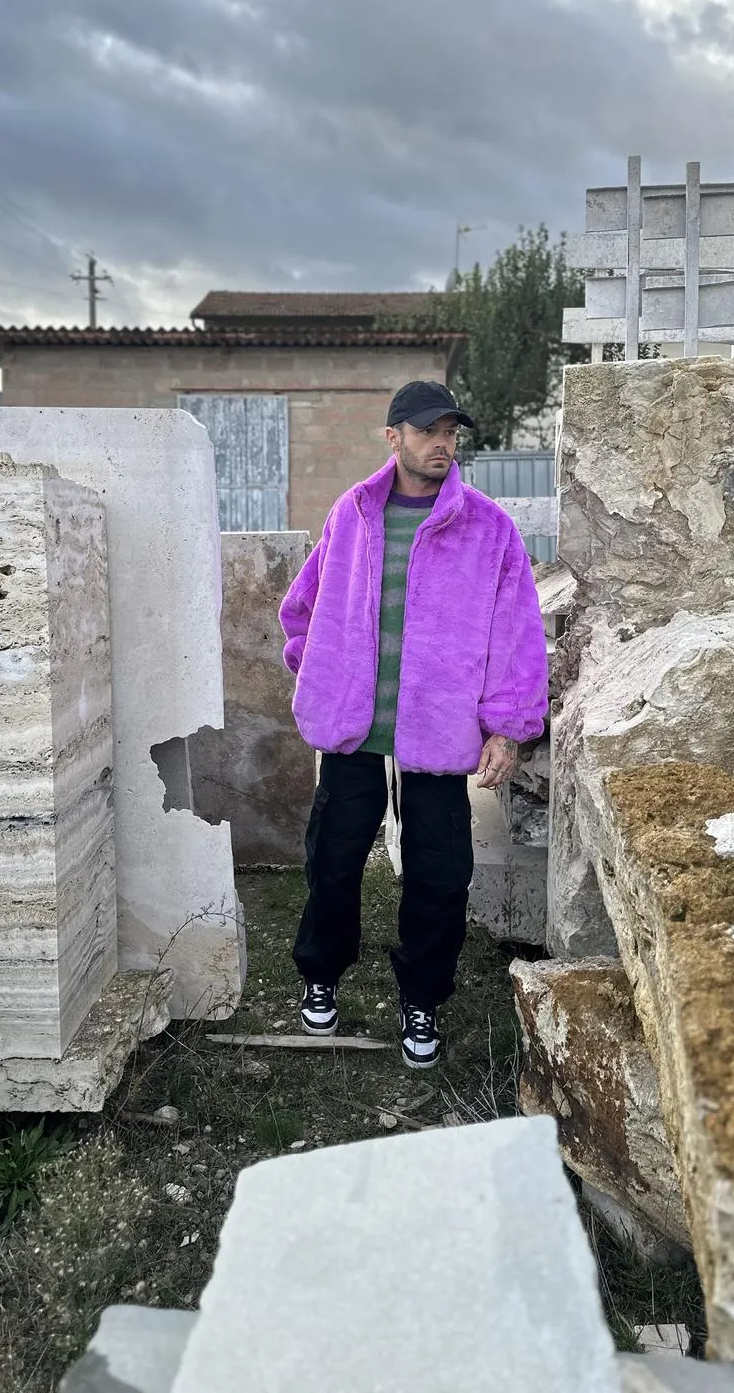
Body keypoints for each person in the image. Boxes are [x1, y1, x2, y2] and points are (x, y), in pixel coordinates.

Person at [278, 379, 549, 1069]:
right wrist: (317, 669)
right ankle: (320, 972)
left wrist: (508, 725)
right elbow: (304, 602)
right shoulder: (355, 512)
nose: (443, 444)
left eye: (452, 433)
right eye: (429, 431)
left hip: (439, 729)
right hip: (354, 728)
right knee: (332, 860)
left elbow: (516, 633)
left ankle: (422, 998)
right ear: (393, 436)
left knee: (439, 874)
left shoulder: (488, 527)